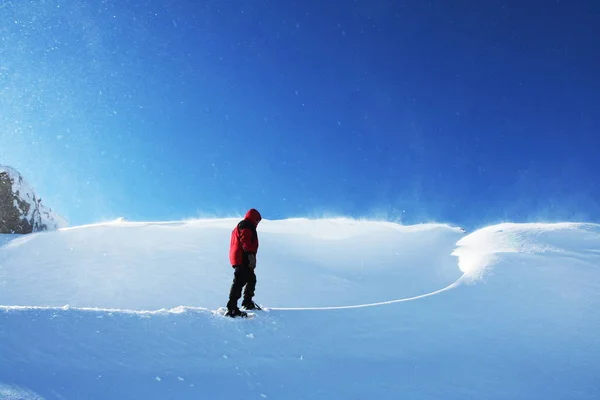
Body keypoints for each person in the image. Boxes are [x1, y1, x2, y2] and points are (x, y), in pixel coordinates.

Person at [225, 208, 262, 317]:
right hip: (243, 257)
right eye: (257, 220)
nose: (257, 223)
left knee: (251, 279)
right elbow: (245, 240)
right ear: (253, 218)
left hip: (240, 256)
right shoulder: (246, 225)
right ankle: (232, 308)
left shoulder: (243, 225)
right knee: (239, 281)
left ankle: (247, 302)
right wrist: (250, 254)